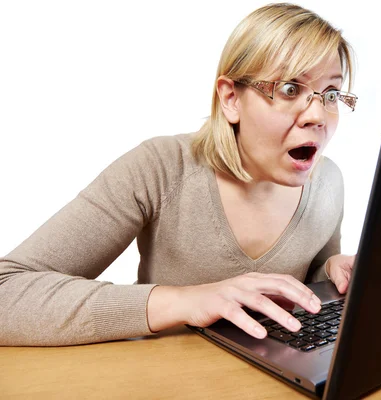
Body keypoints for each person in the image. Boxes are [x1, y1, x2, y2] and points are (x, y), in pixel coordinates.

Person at [0, 3, 357, 346]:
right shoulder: (160, 167)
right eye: (290, 89)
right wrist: (186, 301)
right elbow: (7, 292)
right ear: (231, 98)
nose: (319, 116)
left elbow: (301, 293)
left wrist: (331, 274)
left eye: (330, 94)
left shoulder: (328, 182)